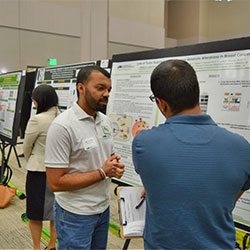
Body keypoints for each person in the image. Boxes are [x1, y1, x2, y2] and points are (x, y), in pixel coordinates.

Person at [132, 59, 250, 250]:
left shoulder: (143, 143)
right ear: (196, 93)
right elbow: (231, 194)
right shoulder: (242, 148)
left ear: (162, 103)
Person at [45, 65, 125, 250]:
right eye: (100, 88)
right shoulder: (62, 127)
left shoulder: (104, 121)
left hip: (102, 210)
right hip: (75, 215)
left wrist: (114, 165)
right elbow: (56, 182)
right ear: (81, 88)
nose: (106, 94)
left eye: (108, 90)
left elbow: (105, 157)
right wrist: (102, 172)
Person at [23, 84, 59, 250]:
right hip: (60, 171)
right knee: (55, 211)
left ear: (39, 101)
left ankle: (37, 247)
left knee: (35, 213)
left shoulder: (37, 119)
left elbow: (27, 146)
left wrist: (30, 158)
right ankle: (52, 245)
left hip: (39, 171)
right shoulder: (63, 116)